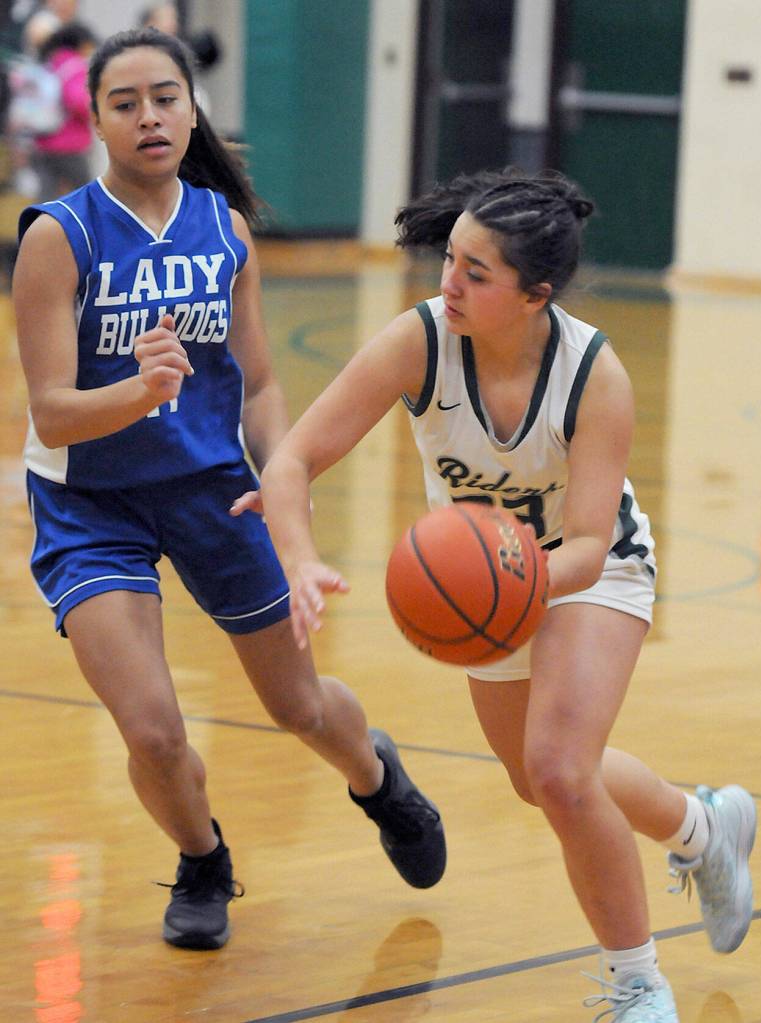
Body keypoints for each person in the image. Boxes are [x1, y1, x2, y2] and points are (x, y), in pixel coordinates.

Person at [251, 168, 757, 1021]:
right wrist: (298, 559)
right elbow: (292, 459)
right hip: (487, 583)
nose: (447, 281)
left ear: (535, 295)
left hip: (587, 571)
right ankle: (701, 828)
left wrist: (513, 581)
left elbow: (587, 543)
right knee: (541, 777)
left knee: (560, 772)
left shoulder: (593, 374)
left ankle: (637, 982)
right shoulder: (420, 341)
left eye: (475, 272)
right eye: (450, 258)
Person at [12, 27, 446, 953]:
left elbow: (257, 385)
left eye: (164, 98)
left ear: (190, 108)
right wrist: (140, 393)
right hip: (90, 504)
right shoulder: (58, 237)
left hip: (213, 486)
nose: (148, 117)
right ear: (96, 121)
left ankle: (378, 778)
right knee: (153, 731)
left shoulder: (225, 230)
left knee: (298, 707)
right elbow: (50, 413)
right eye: (125, 103)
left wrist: (284, 479)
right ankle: (202, 858)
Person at [31, 21, 97, 201]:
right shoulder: (75, 66)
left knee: (47, 197)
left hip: (43, 141)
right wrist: (96, 111)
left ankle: (40, 220)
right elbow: (78, 102)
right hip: (71, 144)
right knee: (85, 196)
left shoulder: (49, 63)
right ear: (81, 43)